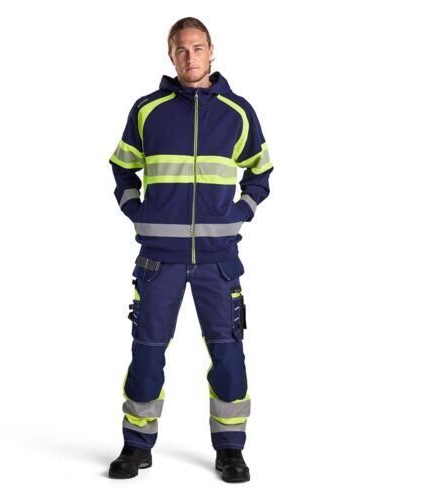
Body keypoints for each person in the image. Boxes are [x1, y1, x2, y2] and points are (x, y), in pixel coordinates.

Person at [107, 17, 274, 482]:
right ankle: (136, 445)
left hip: (219, 262)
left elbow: (261, 170)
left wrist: (241, 211)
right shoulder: (147, 110)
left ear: (211, 51)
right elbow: (122, 166)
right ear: (171, 55)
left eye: (198, 48)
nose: (190, 57)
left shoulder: (238, 112)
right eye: (181, 50)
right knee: (146, 353)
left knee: (228, 356)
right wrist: (135, 209)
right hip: (157, 260)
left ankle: (230, 450)